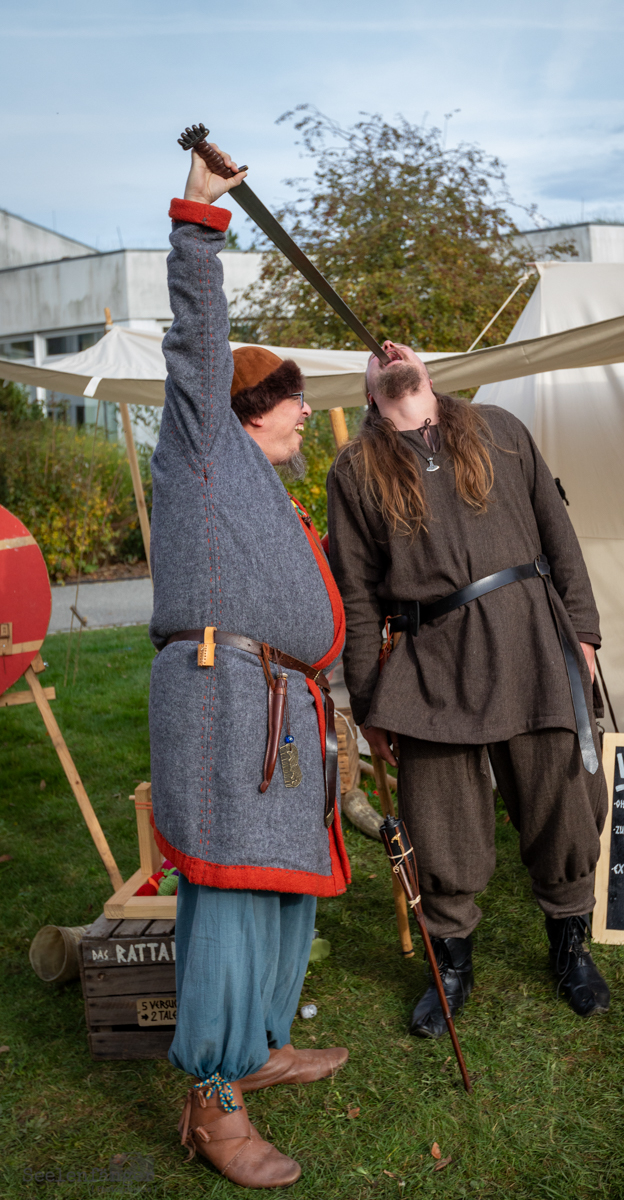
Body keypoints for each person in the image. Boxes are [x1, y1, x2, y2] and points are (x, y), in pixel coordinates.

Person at [148, 144, 351, 1188]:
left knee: (280, 893)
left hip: (275, 705)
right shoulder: (202, 448)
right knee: (231, 895)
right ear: (244, 408)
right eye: (291, 398)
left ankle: (261, 1041)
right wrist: (198, 219)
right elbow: (199, 338)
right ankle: (212, 1096)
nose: (306, 411)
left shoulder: (264, 487)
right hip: (225, 706)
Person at [327, 341, 610, 1040]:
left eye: (397, 344)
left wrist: (582, 631)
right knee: (438, 821)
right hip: (431, 660)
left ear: (424, 367)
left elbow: (559, 534)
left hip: (532, 640)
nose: (386, 350)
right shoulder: (355, 469)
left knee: (562, 804)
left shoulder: (498, 428)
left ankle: (570, 948)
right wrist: (367, 702)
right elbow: (357, 597)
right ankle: (451, 965)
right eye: (373, 356)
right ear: (369, 391)